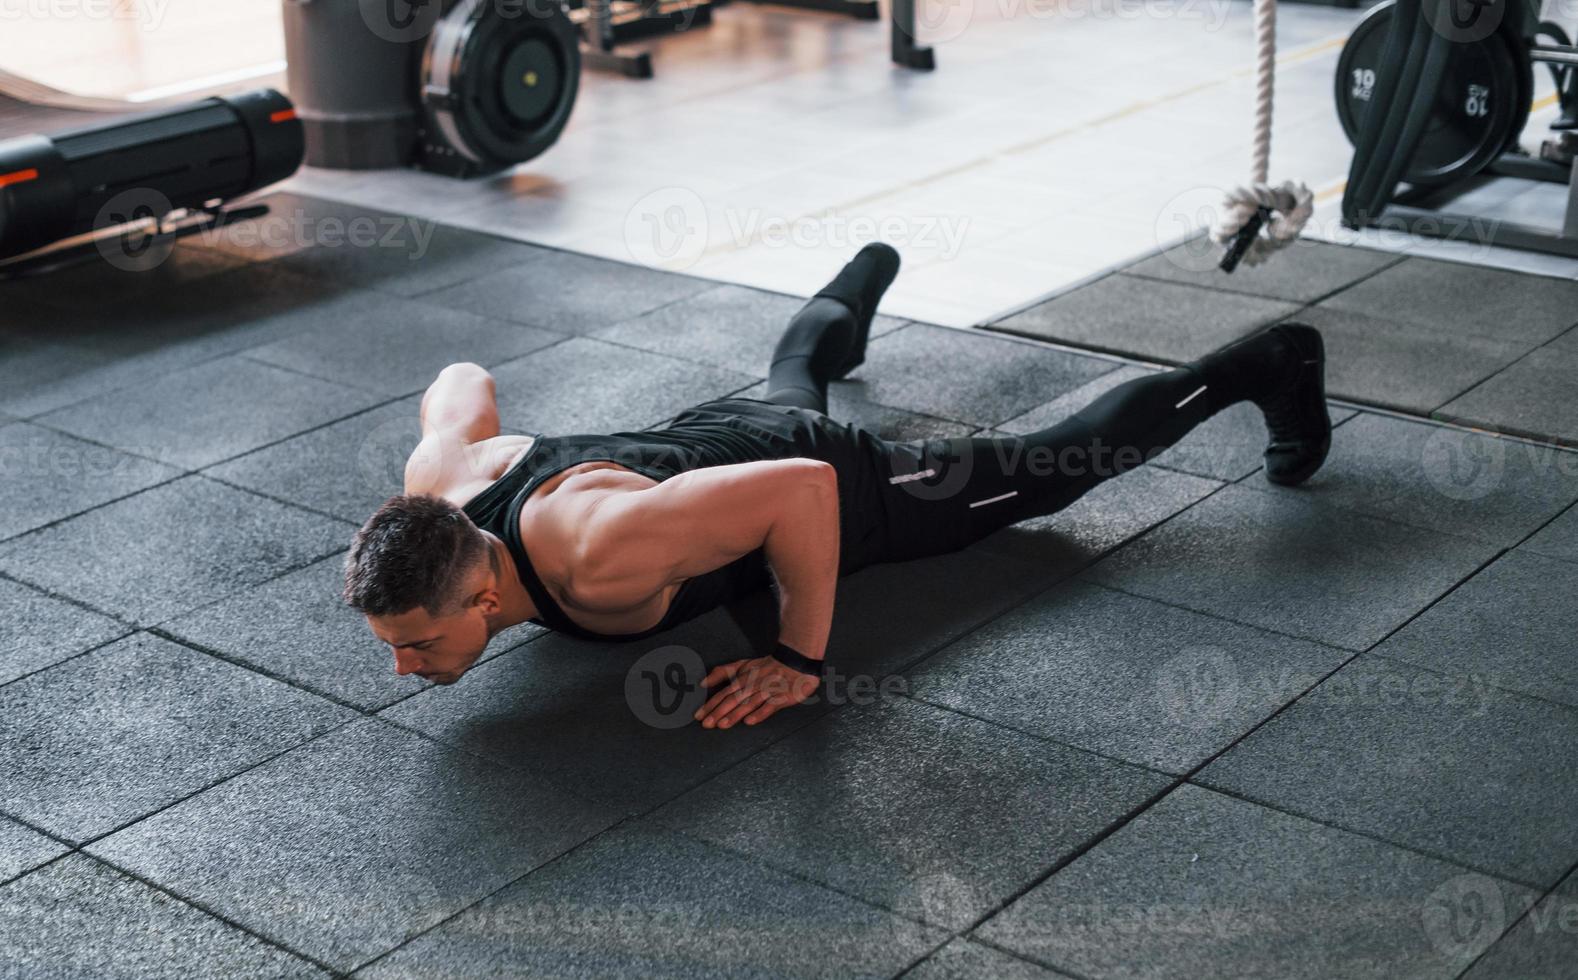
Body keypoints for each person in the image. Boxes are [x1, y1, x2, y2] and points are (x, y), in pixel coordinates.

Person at [342, 243, 1331, 730]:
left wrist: (799, 657)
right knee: (783, 394)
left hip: (833, 479)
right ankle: (852, 292)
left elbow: (805, 489)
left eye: (416, 642)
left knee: (1044, 474)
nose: (402, 668)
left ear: (479, 594)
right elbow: (458, 380)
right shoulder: (439, 485)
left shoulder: (598, 555)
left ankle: (1271, 362)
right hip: (708, 443)